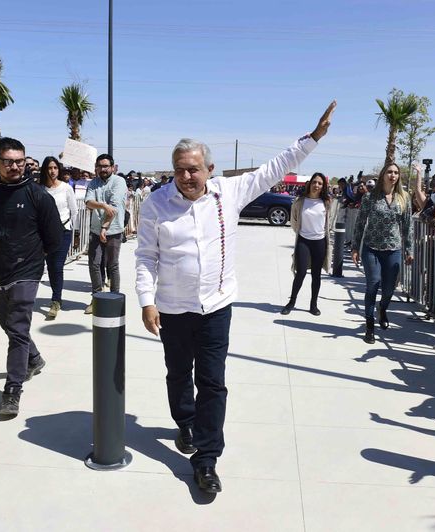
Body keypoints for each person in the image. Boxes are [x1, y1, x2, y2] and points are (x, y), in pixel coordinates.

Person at [135, 101, 335, 494]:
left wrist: (312, 139)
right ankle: (185, 421)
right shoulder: (156, 203)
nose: (186, 176)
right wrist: (146, 300)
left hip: (216, 307)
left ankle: (206, 459)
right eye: (179, 170)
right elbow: (145, 255)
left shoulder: (229, 192)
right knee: (179, 375)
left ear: (209, 169)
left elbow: (275, 167)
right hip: (173, 310)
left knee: (212, 382)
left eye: (193, 169)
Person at [0, 138, 63, 416]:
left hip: (27, 271)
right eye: (9, 161)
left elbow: (55, 238)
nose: (15, 166)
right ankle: (34, 359)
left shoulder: (38, 196)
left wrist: (39, 265)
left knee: (17, 329)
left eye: (20, 161)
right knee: (12, 328)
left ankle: (12, 391)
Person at [351, 163, 414, 344]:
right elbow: (360, 223)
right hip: (371, 248)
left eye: (396, 172)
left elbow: (408, 226)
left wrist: (409, 249)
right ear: (383, 175)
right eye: (389, 172)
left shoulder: (404, 198)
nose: (392, 175)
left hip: (393, 249)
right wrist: (355, 247)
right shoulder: (370, 197)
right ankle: (369, 325)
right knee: (373, 283)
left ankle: (383, 308)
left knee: (389, 288)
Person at [280, 172, 331, 316]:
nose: (317, 185)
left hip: (319, 242)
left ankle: (313, 305)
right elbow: (294, 220)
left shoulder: (326, 202)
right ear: (310, 183)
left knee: (316, 275)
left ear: (323, 186)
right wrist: (301, 232)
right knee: (300, 272)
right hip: (304, 241)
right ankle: (291, 302)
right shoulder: (300, 201)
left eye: (320, 183)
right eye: (315, 182)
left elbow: (329, 222)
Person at [84, 154, 127, 313]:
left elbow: (114, 208)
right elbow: (88, 202)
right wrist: (102, 205)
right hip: (95, 230)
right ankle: (96, 298)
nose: (103, 169)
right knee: (94, 263)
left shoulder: (119, 182)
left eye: (106, 166)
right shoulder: (93, 183)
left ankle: (115, 299)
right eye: (100, 166)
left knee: (112, 264)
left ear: (113, 167)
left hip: (113, 230)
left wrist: (105, 227)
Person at [41, 156, 78, 320]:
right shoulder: (40, 189)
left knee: (57, 265)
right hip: (45, 234)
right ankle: (57, 295)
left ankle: (56, 300)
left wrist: (75, 232)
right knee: (50, 267)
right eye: (49, 168)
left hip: (64, 231)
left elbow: (74, 211)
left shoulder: (66, 188)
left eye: (55, 167)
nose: (52, 171)